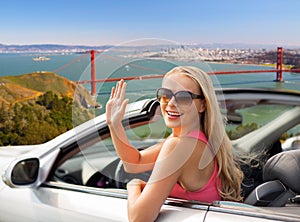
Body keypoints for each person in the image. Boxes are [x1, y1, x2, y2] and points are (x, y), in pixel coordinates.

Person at [106, 66, 243, 222]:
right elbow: (134, 163)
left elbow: (139, 218)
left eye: (183, 97)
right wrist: (114, 125)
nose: (171, 103)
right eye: (165, 95)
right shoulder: (193, 139)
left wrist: (133, 185)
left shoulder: (182, 147)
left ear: (203, 105)